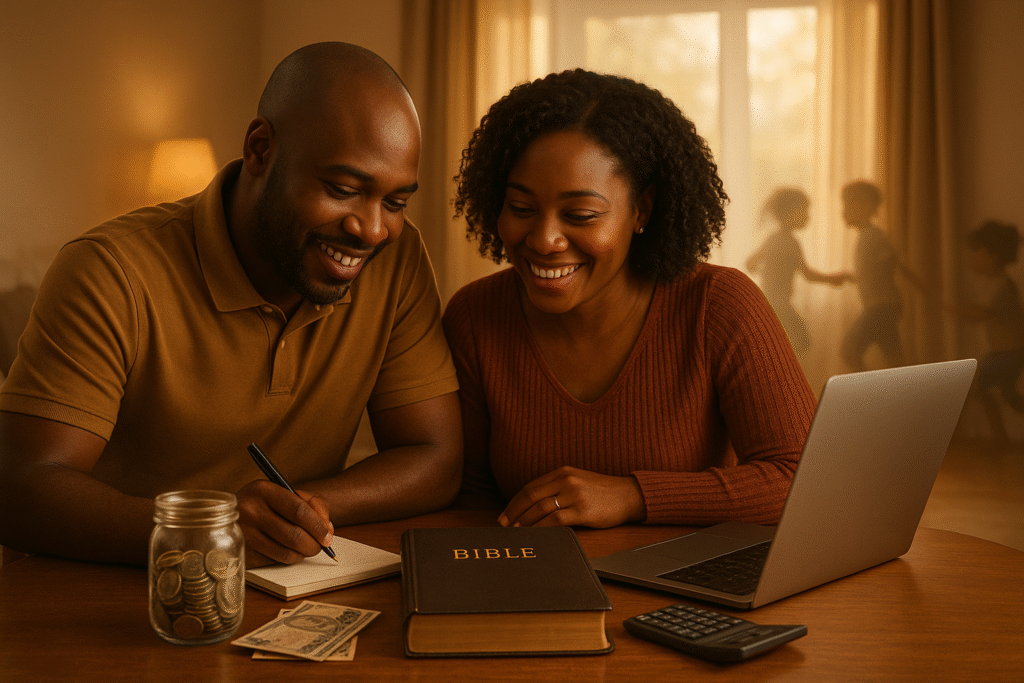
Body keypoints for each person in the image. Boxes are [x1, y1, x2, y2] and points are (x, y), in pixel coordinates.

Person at [0, 43, 462, 567]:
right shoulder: (108, 272)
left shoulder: (396, 263)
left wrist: (299, 512)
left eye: (396, 202)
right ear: (261, 150)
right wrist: (208, 529)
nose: (372, 229)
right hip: (113, 601)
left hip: (287, 590)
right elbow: (21, 489)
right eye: (342, 188)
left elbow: (435, 458)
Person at [442, 69, 816, 530]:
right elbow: (469, 499)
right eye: (521, 209)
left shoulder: (719, 305)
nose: (544, 239)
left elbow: (803, 479)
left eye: (580, 214)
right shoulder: (475, 316)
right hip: (532, 585)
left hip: (685, 592)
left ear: (642, 210)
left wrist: (634, 496)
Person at [746, 187, 849, 355]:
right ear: (787, 213)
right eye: (803, 211)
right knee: (800, 342)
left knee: (792, 342)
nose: (807, 217)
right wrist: (833, 279)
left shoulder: (773, 239)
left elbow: (750, 264)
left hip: (770, 302)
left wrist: (765, 269)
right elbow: (808, 275)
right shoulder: (790, 243)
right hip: (778, 304)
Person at [839, 180, 927, 371]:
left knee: (849, 349)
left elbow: (897, 264)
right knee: (895, 359)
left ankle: (872, 394)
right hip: (883, 307)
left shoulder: (873, 236)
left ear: (867, 206)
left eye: (848, 204)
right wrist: (850, 277)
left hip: (882, 307)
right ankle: (911, 394)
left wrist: (926, 290)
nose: (844, 211)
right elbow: (871, 273)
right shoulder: (867, 236)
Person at [957, 220, 1024, 442]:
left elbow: (981, 313)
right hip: (1006, 353)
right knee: (1006, 396)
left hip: (1007, 354)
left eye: (977, 252)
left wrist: (956, 307)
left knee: (975, 387)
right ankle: (1001, 440)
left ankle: (1000, 440)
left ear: (993, 256)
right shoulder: (993, 284)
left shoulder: (1001, 285)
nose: (972, 258)